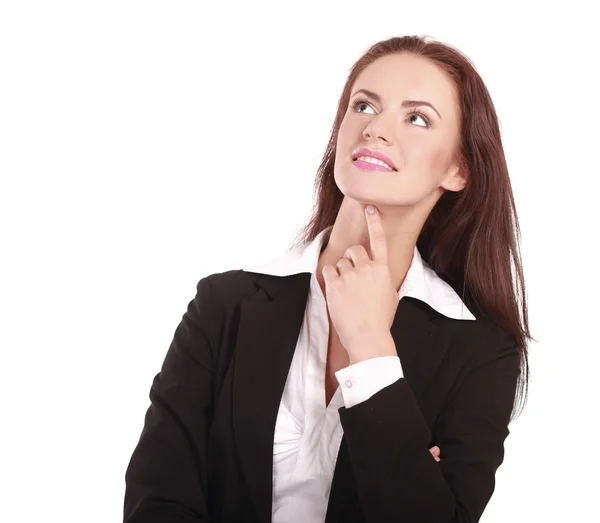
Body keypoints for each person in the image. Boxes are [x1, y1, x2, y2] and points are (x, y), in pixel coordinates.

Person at [123, 35, 531, 523]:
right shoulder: (224, 304)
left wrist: (372, 351)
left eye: (416, 117)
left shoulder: (480, 351)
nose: (375, 129)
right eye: (363, 106)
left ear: (459, 169)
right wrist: (409, 462)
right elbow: (156, 502)